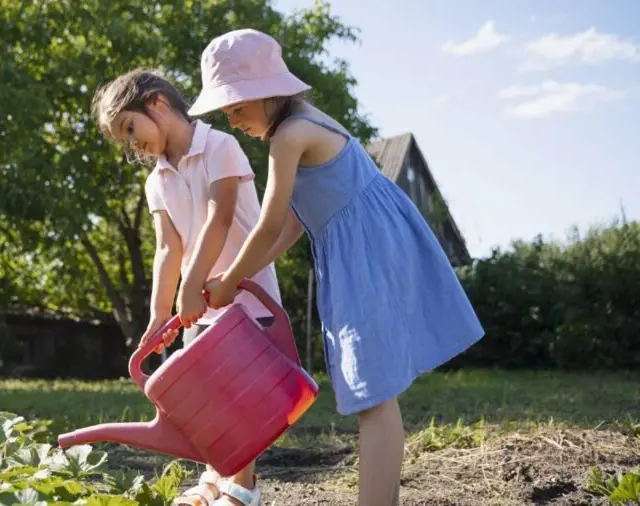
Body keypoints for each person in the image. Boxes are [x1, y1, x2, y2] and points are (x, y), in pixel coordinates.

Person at [191, 29, 485, 506]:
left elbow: (266, 225)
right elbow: (292, 223)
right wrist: (239, 280)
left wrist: (228, 280)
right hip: (369, 249)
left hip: (367, 255)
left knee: (374, 396)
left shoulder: (289, 136)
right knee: (378, 395)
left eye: (237, 106)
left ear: (266, 92)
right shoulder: (298, 126)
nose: (231, 117)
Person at [91, 68, 282, 506]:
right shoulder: (156, 180)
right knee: (208, 398)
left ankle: (243, 488)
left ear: (157, 103)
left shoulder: (220, 146)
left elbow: (220, 215)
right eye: (125, 142)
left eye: (130, 129)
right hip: (196, 306)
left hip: (242, 295)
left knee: (242, 397)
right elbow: (166, 248)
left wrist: (191, 286)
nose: (132, 146)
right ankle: (214, 478)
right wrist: (161, 312)